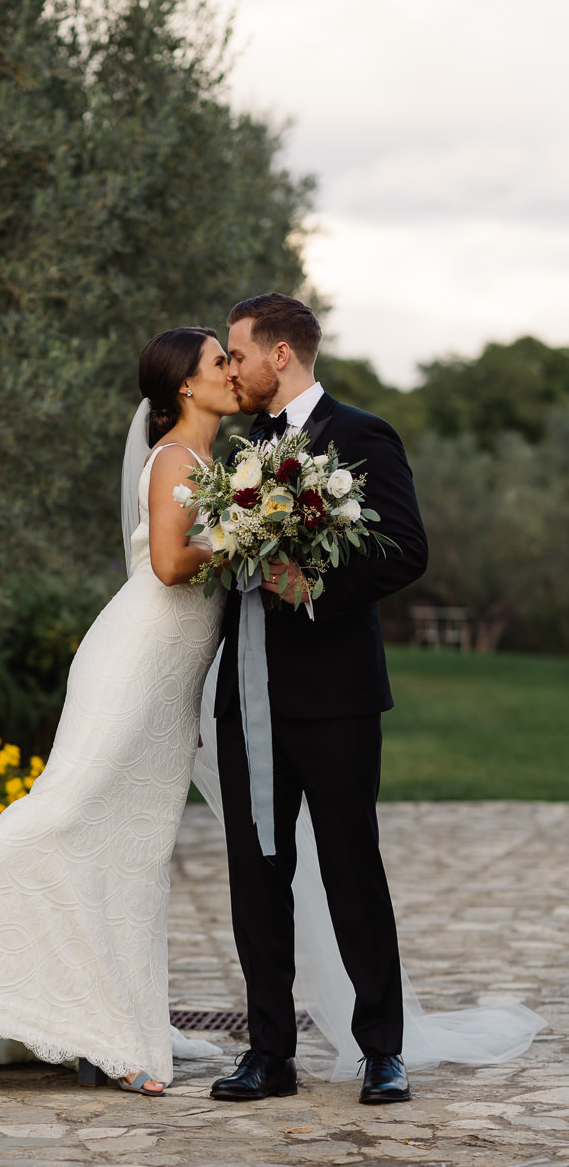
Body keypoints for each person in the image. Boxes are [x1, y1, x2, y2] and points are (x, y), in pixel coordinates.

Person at [0, 326, 240, 1095]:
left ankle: (108, 1025)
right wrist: (244, 534)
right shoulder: (171, 461)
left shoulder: (208, 463)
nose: (232, 370)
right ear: (185, 388)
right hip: (133, 663)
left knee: (130, 855)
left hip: (168, 685)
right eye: (219, 362)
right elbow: (169, 565)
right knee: (61, 816)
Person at [206, 291, 427, 1104]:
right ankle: (269, 1054)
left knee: (350, 868)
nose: (231, 367)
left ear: (281, 355)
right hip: (249, 694)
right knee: (255, 875)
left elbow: (406, 548)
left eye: (237, 353)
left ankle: (383, 1050)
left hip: (335, 696)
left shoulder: (363, 436)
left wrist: (308, 585)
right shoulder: (243, 450)